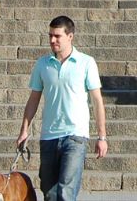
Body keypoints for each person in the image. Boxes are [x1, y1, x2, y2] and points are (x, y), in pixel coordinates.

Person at [17, 16, 109, 201]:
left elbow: (97, 100)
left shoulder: (86, 62)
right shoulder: (42, 64)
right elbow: (33, 99)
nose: (52, 40)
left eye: (57, 36)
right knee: (49, 192)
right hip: (49, 135)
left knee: (66, 191)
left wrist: (102, 137)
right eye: (50, 35)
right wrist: (24, 130)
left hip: (75, 136)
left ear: (70, 36)